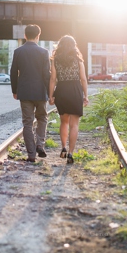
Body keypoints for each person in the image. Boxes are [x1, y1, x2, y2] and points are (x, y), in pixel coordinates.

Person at [10, 24, 51, 163]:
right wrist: (50, 92)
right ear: (38, 36)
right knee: (42, 118)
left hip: (25, 92)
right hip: (40, 92)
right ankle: (40, 144)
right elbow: (46, 74)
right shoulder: (44, 52)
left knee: (27, 123)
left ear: (25, 36)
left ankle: (31, 155)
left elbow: (13, 72)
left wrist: (15, 90)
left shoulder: (18, 52)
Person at [48, 35, 89, 164]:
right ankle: (71, 153)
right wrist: (85, 95)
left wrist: (51, 95)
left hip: (61, 91)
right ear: (73, 46)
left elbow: (53, 79)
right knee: (74, 124)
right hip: (75, 90)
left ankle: (63, 147)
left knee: (64, 122)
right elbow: (83, 79)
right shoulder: (78, 60)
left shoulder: (56, 60)